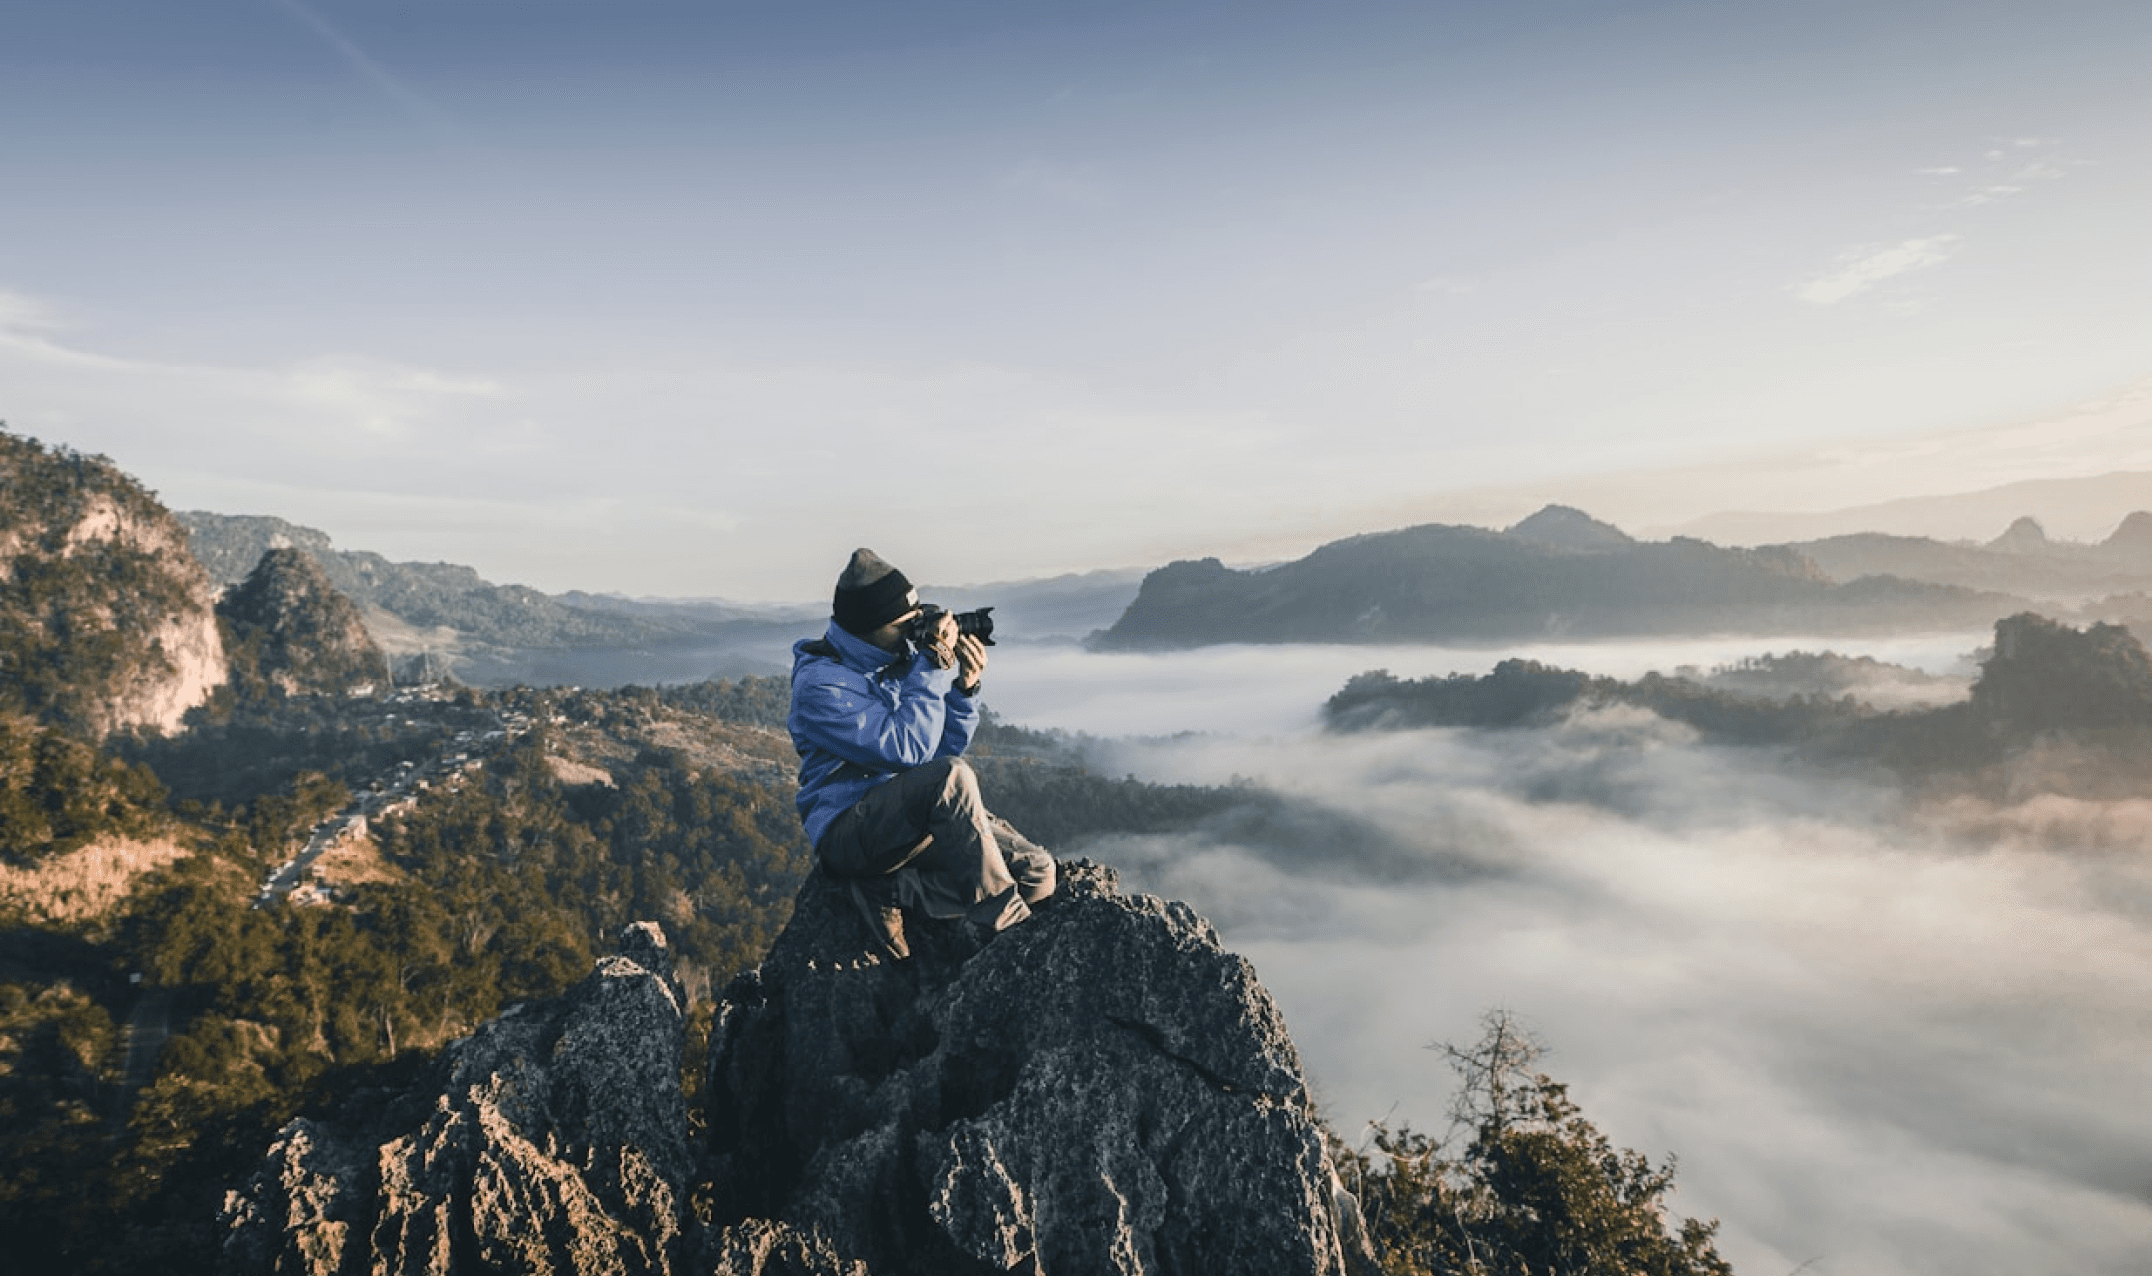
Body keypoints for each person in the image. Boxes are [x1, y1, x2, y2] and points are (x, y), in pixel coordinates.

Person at [788, 548, 1056, 961]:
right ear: (868, 628)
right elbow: (910, 753)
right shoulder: (821, 686)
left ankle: (895, 891)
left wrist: (964, 691)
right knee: (952, 777)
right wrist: (930, 666)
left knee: (1037, 872)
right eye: (904, 626)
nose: (914, 633)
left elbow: (937, 754)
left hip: (906, 822)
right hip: (850, 832)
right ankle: (1003, 935)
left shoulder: (896, 661)